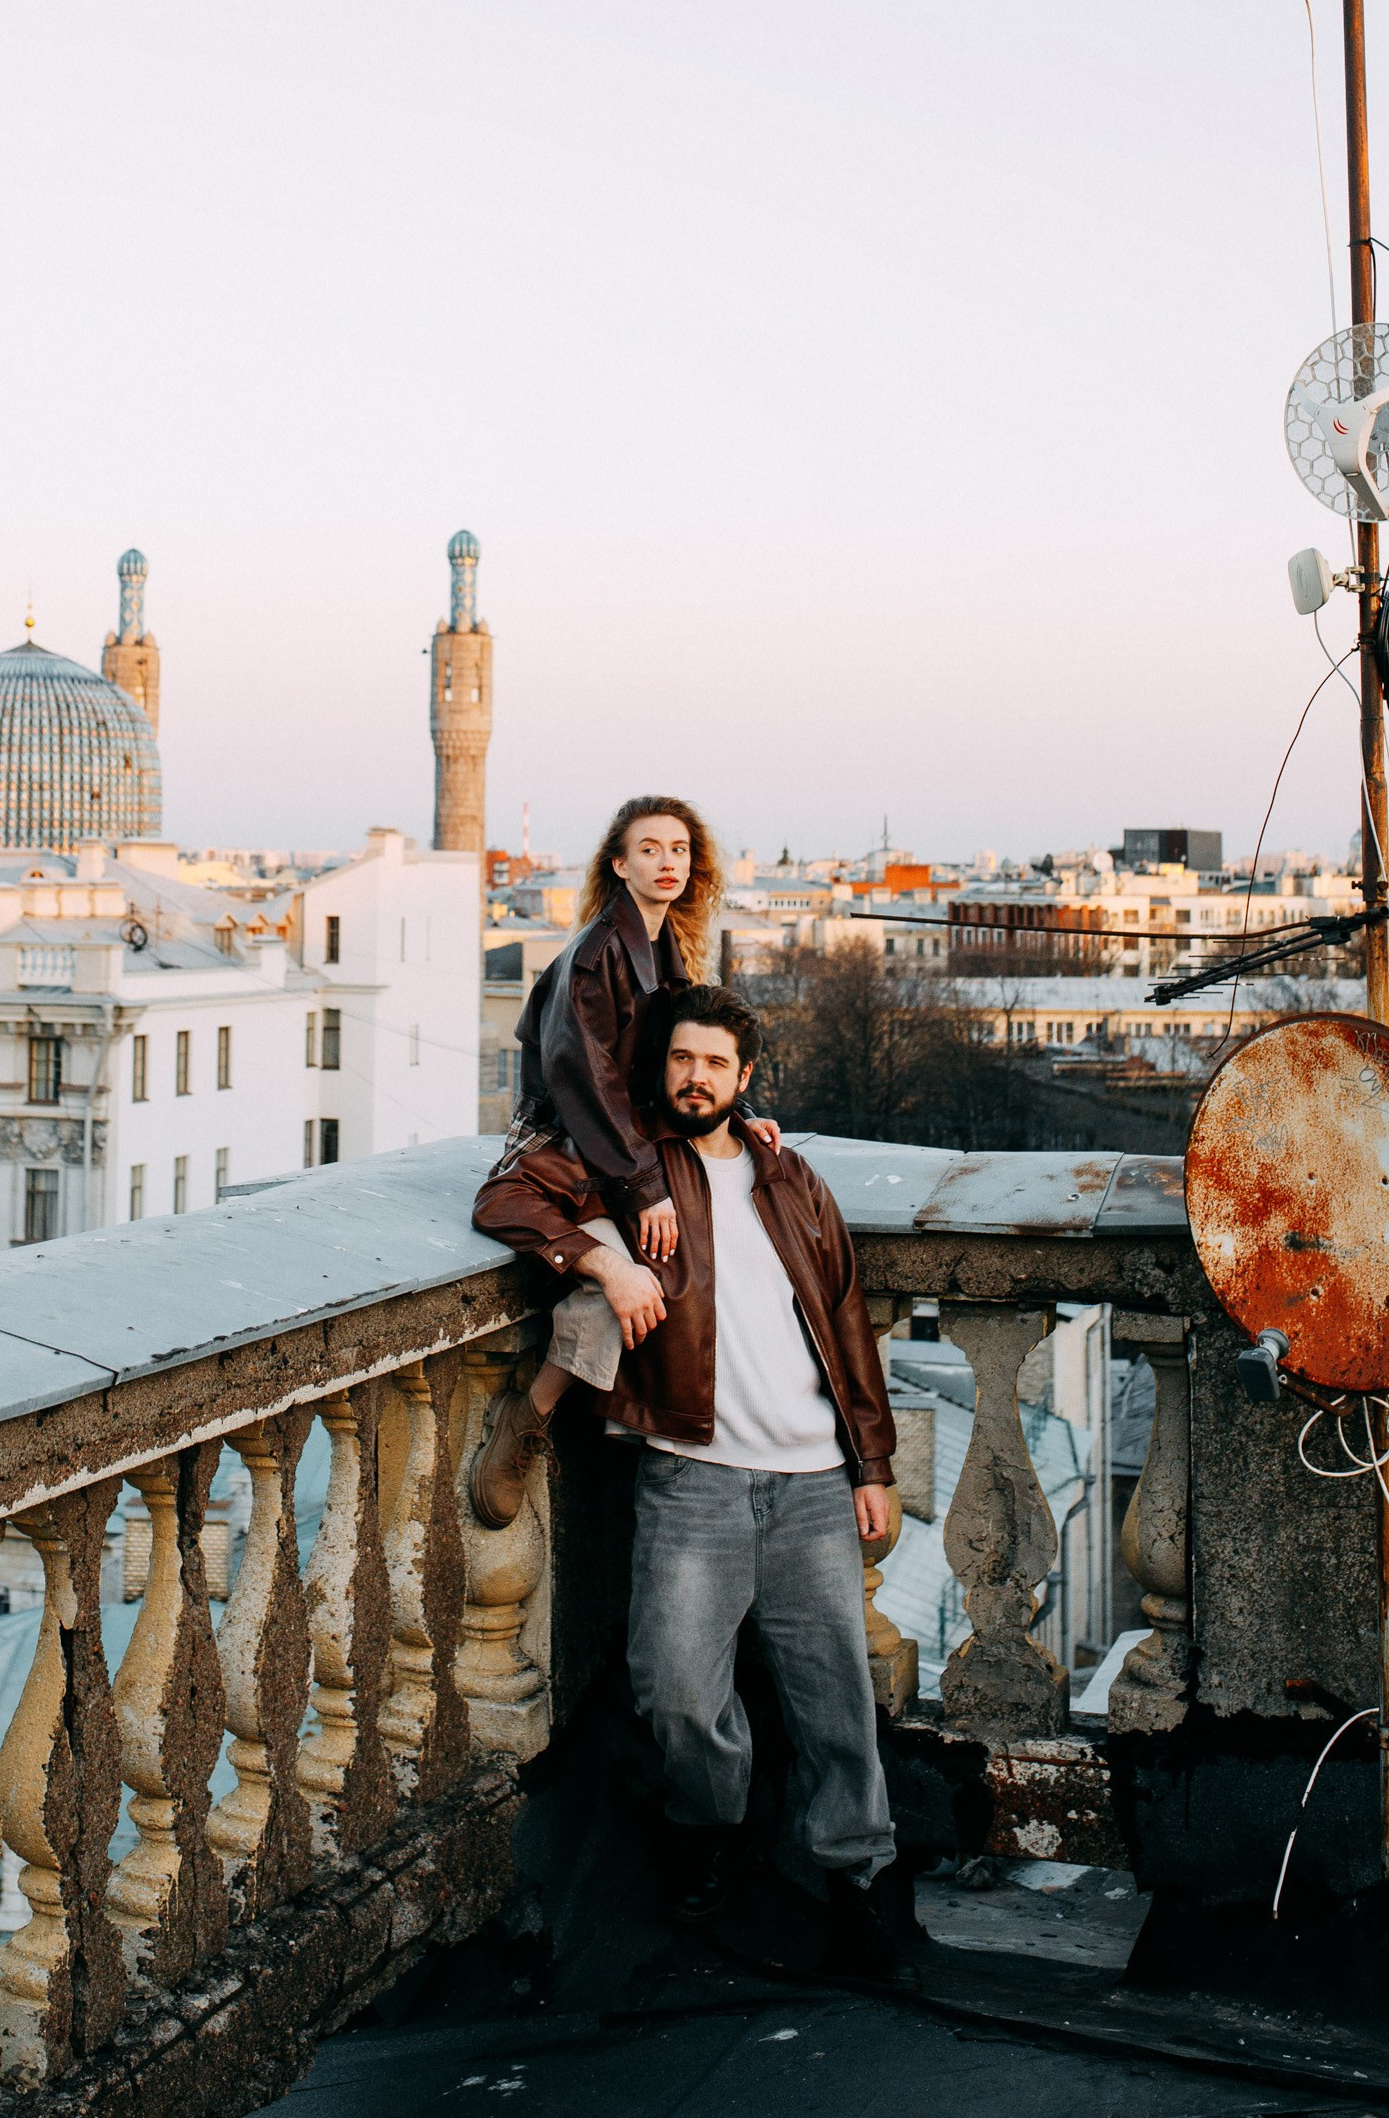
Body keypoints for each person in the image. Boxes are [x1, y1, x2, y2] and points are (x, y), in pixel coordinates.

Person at [476, 981, 902, 1982]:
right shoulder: (629, 1172)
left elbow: (843, 1318)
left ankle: (866, 1896)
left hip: (808, 1481)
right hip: (692, 1479)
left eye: (714, 1062)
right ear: (657, 1070)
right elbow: (506, 1199)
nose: (695, 1077)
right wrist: (603, 1266)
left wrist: (869, 1465)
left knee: (837, 1706)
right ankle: (705, 1844)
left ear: (743, 1076)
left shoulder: (787, 1176)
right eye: (679, 1059)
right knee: (673, 1693)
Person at [467, 797, 778, 1530]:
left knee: (691, 1273)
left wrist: (734, 1114)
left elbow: (669, 1066)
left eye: (679, 850)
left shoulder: (661, 946)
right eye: (649, 850)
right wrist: (644, 1191)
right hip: (562, 1165)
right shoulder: (597, 955)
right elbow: (586, 1083)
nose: (667, 862)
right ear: (618, 863)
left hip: (607, 1164)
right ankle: (528, 1416)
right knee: (625, 1288)